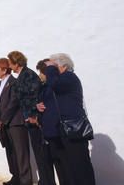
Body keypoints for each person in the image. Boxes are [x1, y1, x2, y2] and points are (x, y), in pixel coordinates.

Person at [38, 53, 96, 185]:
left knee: (80, 168)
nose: (49, 71)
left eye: (53, 67)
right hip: (66, 130)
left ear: (63, 66)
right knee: (71, 169)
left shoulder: (69, 77)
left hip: (74, 129)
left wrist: (50, 68)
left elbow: (53, 83)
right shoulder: (62, 80)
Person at [8, 50, 50, 185]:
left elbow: (35, 96)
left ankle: (46, 181)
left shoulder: (28, 74)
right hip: (29, 119)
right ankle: (44, 180)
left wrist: (32, 114)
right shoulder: (22, 76)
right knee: (38, 153)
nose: (9, 66)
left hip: (34, 119)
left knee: (41, 153)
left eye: (10, 63)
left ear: (16, 63)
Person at [0, 57, 32, 185]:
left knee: (21, 153)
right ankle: (16, 177)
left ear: (4, 70)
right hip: (4, 124)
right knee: (10, 152)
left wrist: (3, 119)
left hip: (16, 123)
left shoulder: (14, 82)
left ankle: (26, 180)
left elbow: (14, 103)